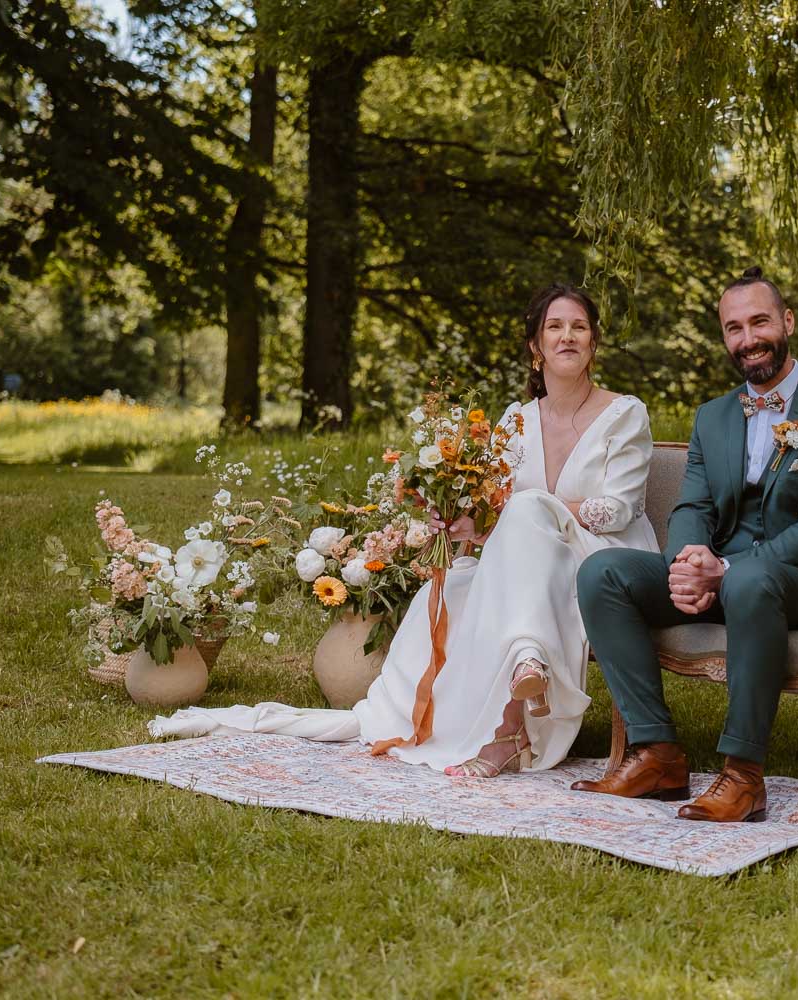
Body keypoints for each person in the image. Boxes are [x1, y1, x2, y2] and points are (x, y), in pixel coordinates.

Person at [150, 284, 658, 777]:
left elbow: (616, 510)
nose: (567, 336)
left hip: (601, 562)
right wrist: (464, 524)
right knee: (452, 588)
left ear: (593, 343)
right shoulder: (515, 421)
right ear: (535, 346)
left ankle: (512, 712)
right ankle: (483, 705)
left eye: (579, 327)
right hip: (530, 563)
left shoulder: (624, 414)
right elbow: (497, 516)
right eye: (555, 327)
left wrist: (535, 508)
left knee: (525, 513)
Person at [571, 267, 798, 822]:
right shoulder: (714, 416)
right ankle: (656, 753)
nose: (748, 338)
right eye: (733, 328)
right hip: (728, 575)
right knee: (603, 572)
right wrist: (689, 561)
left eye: (759, 321)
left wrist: (727, 568)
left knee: (750, 578)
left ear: (787, 321)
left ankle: (743, 776)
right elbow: (692, 507)